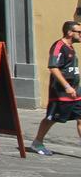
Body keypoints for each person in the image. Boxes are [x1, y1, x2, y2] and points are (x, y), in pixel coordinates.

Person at [31, 21, 81, 155]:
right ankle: (37, 142)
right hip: (61, 93)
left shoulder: (70, 47)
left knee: (80, 118)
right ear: (70, 32)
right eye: (79, 32)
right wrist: (67, 86)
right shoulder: (58, 46)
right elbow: (53, 67)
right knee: (51, 119)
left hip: (76, 91)